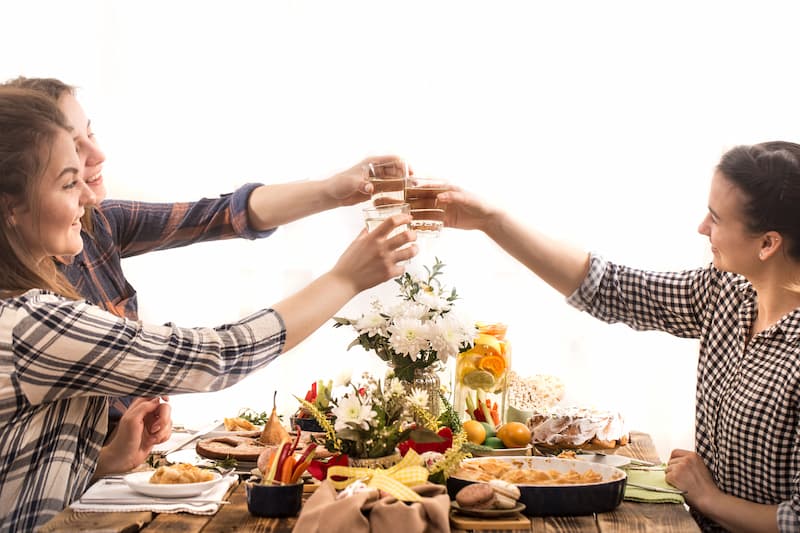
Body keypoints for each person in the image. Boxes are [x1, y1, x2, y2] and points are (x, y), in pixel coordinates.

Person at [0, 87, 417, 531]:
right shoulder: (31, 323)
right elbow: (217, 355)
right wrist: (346, 279)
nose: (88, 196)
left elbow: (19, 479)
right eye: (68, 182)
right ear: (12, 208)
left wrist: (103, 462)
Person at [438, 142, 800, 532]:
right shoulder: (727, 292)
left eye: (716, 218)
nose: (702, 228)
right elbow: (608, 287)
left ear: (768, 243)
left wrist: (711, 499)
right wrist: (491, 220)